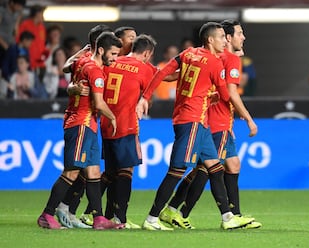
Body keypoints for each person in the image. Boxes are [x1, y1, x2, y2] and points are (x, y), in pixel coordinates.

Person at [136, 21, 254, 231]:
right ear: (210, 40)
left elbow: (162, 73)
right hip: (192, 120)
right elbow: (227, 95)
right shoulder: (215, 63)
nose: (224, 41)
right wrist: (225, 101)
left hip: (197, 121)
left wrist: (145, 97)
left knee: (215, 169)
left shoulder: (188, 54)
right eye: (220, 37)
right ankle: (152, 218)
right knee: (177, 171)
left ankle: (228, 217)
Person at [37, 31, 124, 230]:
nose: (114, 58)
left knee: (93, 172)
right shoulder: (95, 70)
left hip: (88, 124)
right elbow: (99, 104)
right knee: (71, 172)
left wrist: (72, 88)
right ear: (101, 50)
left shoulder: (82, 61)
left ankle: (99, 219)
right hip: (81, 124)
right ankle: (47, 214)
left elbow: (69, 68)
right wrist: (113, 117)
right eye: (112, 54)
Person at [99, 34, 158, 229]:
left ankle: (94, 214)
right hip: (125, 124)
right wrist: (146, 98)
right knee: (126, 171)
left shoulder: (113, 61)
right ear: (147, 53)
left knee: (110, 172)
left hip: (106, 123)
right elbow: (163, 78)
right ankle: (120, 218)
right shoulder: (144, 68)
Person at [17, 4, 47, 82]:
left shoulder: (42, 27)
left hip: (40, 63)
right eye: (41, 13)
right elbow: (18, 41)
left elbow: (42, 44)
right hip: (28, 63)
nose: (42, 16)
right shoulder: (25, 25)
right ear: (37, 13)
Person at [1, 30, 34, 97]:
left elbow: (28, 65)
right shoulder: (12, 49)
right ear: (24, 40)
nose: (30, 44)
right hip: (12, 78)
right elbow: (5, 65)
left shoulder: (26, 51)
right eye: (30, 41)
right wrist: (9, 77)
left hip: (24, 80)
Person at [0, 0, 26, 67]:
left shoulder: (18, 13)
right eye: (18, 5)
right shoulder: (2, 11)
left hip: (10, 43)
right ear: (12, 3)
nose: (19, 8)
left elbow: (16, 28)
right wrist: (4, 44)